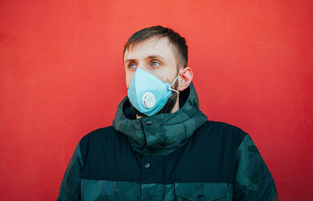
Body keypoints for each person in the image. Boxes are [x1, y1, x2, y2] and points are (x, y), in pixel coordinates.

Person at [58, 25, 278, 201]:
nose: (140, 76)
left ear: (183, 79)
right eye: (132, 65)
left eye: (155, 63)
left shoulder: (230, 146)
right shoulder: (92, 149)